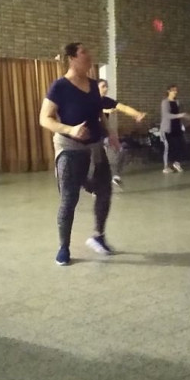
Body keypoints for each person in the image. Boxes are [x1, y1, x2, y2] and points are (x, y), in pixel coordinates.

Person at [39, 42, 119, 266]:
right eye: (84, 52)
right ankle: (63, 247)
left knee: (104, 191)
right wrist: (70, 129)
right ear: (72, 58)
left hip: (95, 149)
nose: (89, 55)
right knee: (69, 199)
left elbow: (99, 115)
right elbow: (44, 118)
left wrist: (110, 133)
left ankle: (98, 236)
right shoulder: (60, 86)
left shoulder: (93, 85)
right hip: (70, 149)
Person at [97, 78, 146, 189]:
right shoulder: (90, 100)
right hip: (91, 135)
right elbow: (95, 110)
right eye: (103, 86)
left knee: (121, 151)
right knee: (97, 161)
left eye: (106, 86)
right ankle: (95, 186)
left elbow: (123, 107)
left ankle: (115, 176)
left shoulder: (107, 101)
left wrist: (137, 114)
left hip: (105, 134)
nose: (106, 88)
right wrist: (105, 111)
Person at [160, 85, 190, 173]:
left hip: (177, 128)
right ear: (168, 91)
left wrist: (185, 118)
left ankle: (177, 163)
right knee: (168, 147)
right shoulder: (165, 102)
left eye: (176, 90)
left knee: (180, 145)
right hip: (167, 129)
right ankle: (166, 166)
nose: (175, 92)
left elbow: (181, 114)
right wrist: (180, 115)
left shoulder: (177, 102)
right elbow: (166, 115)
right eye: (173, 90)